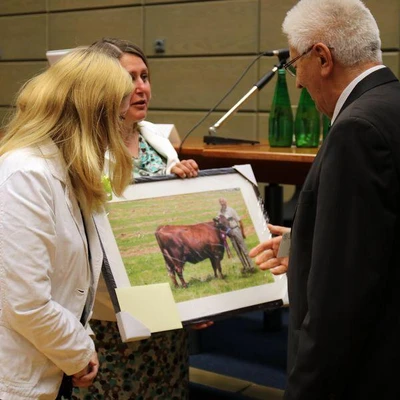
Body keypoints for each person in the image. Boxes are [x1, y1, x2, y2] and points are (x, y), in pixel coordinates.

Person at [251, 0, 400, 398]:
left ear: (321, 57)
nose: (296, 81)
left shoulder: (356, 130)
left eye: (293, 62)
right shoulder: (390, 105)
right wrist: (305, 240)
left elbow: (340, 301)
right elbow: (377, 238)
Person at [73, 37, 208, 400]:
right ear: (102, 86)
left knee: (167, 385)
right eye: (129, 78)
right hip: (110, 310)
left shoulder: (158, 140)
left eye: (145, 76)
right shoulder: (83, 148)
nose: (141, 87)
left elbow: (180, 220)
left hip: (166, 298)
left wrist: (183, 180)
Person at [0, 48, 134, 399]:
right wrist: (78, 352)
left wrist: (80, 343)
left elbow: (73, 287)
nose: (120, 131)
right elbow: (25, 302)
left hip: (48, 364)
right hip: (17, 377)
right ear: (95, 118)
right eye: (117, 120)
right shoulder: (26, 174)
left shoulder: (67, 170)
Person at [218, 197, 254, 272]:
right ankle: (245, 266)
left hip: (235, 229)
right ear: (219, 203)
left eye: (223, 201)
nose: (222, 203)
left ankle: (251, 266)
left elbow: (240, 221)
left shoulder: (231, 210)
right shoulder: (220, 213)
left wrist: (243, 232)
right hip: (229, 233)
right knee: (237, 251)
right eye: (220, 202)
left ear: (226, 202)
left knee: (243, 248)